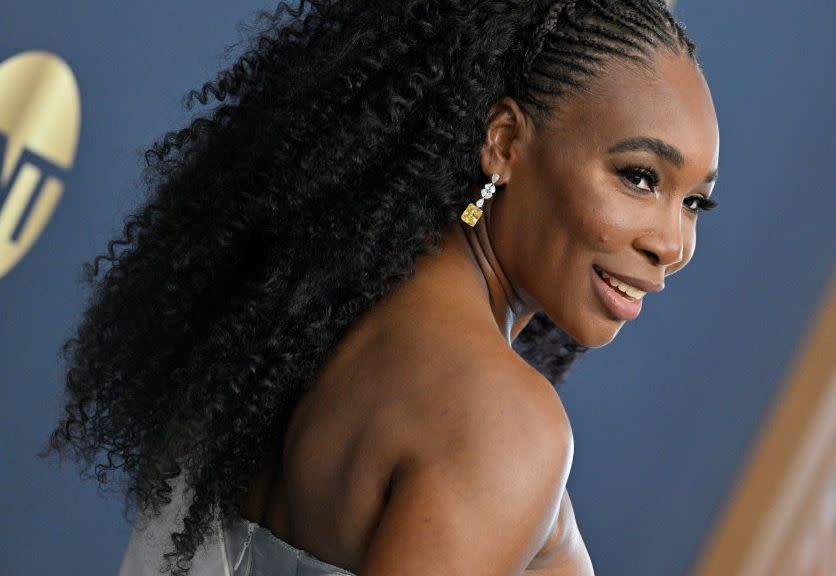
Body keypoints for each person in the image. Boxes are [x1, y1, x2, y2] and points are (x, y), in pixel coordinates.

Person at [42, 0, 719, 574]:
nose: (673, 244)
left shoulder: (302, 309)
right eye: (639, 177)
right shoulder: (501, 424)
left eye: (695, 202)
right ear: (505, 142)